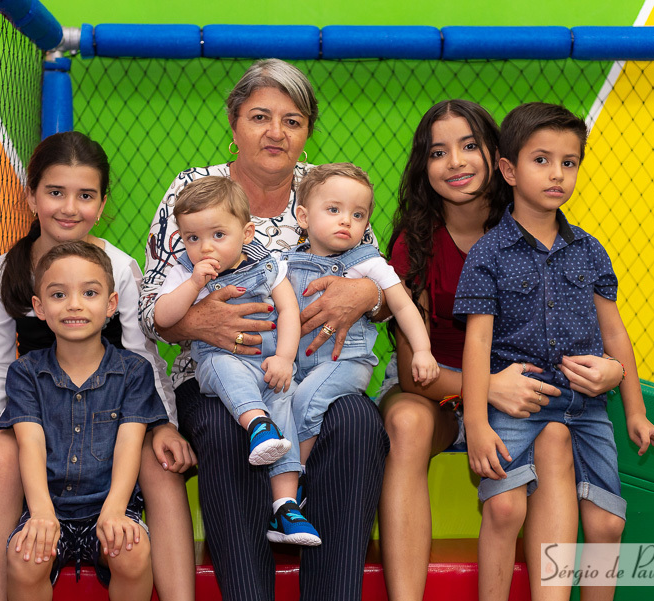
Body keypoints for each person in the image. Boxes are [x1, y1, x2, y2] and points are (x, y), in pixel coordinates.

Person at [139, 59, 388, 601]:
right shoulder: (194, 190)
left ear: (307, 132)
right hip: (215, 375)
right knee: (230, 428)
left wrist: (365, 294)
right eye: (260, 117)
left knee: (358, 422)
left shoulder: (329, 187)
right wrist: (196, 321)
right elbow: (146, 309)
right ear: (233, 124)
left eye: (292, 120)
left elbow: (382, 287)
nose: (276, 132)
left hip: (314, 369)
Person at [377, 100, 627, 601]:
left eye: (470, 146)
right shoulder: (416, 241)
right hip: (438, 387)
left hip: (521, 394)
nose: (456, 162)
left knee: (554, 437)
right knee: (407, 420)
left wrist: (614, 369)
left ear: (499, 159)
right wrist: (488, 386)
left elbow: (589, 326)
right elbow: (412, 373)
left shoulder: (529, 226)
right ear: (422, 167)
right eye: (437, 152)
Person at [0, 132, 196, 601]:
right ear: (32, 196)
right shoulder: (6, 272)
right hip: (39, 409)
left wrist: (164, 424)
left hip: (109, 413)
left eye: (85, 196)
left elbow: (143, 357)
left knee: (157, 456)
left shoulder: (118, 267)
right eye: (55, 192)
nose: (69, 207)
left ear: (102, 205)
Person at [455, 102, 654, 601]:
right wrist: (477, 423)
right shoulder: (490, 253)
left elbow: (614, 336)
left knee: (608, 526)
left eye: (569, 163)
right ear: (508, 170)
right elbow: (477, 343)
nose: (557, 174)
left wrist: (635, 410)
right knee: (504, 508)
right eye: (541, 160)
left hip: (587, 405)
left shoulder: (589, 249)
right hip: (520, 403)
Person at [154, 176, 320, 545]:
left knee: (284, 409)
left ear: (246, 233)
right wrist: (194, 284)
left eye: (217, 235)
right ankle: (256, 423)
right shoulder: (184, 270)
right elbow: (163, 317)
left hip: (270, 364)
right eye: (192, 238)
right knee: (221, 367)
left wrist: (285, 358)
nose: (203, 248)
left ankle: (285, 507)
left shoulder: (268, 264)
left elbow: (289, 311)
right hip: (221, 359)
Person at [0, 241, 163, 600]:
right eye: (59, 294)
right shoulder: (25, 373)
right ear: (39, 308)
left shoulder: (133, 372)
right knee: (26, 557)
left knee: (131, 550)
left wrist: (116, 511)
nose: (74, 304)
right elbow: (30, 442)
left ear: (111, 305)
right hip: (48, 505)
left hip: (109, 504)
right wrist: (41, 513)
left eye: (89, 292)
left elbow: (130, 443)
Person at [281, 163, 438, 472]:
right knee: (276, 404)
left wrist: (422, 350)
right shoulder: (285, 262)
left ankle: (293, 479)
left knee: (306, 403)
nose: (346, 221)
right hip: (295, 363)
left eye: (357, 215)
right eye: (333, 209)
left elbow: (404, 305)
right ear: (303, 217)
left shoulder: (368, 263)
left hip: (345, 363)